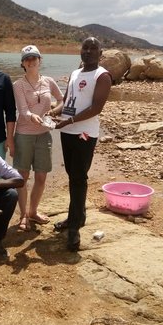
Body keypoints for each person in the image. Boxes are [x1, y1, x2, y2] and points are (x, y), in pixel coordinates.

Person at [52, 37, 112, 251]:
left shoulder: (102, 76)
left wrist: (69, 120)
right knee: (72, 175)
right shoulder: (76, 73)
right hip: (67, 132)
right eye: (85, 47)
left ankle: (75, 228)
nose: (88, 51)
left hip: (84, 133)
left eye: (93, 48)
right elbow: (67, 101)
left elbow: (96, 108)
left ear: (100, 52)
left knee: (79, 178)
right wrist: (53, 112)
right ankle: (76, 217)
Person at [12, 45, 64, 231]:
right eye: (27, 59)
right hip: (24, 134)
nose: (31, 61)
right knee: (23, 176)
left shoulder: (48, 81)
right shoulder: (18, 85)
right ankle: (23, 215)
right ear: (22, 64)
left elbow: (61, 99)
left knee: (41, 176)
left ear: (40, 60)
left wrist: (54, 111)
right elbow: (23, 110)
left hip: (44, 134)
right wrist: (32, 116)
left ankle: (33, 212)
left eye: (34, 58)